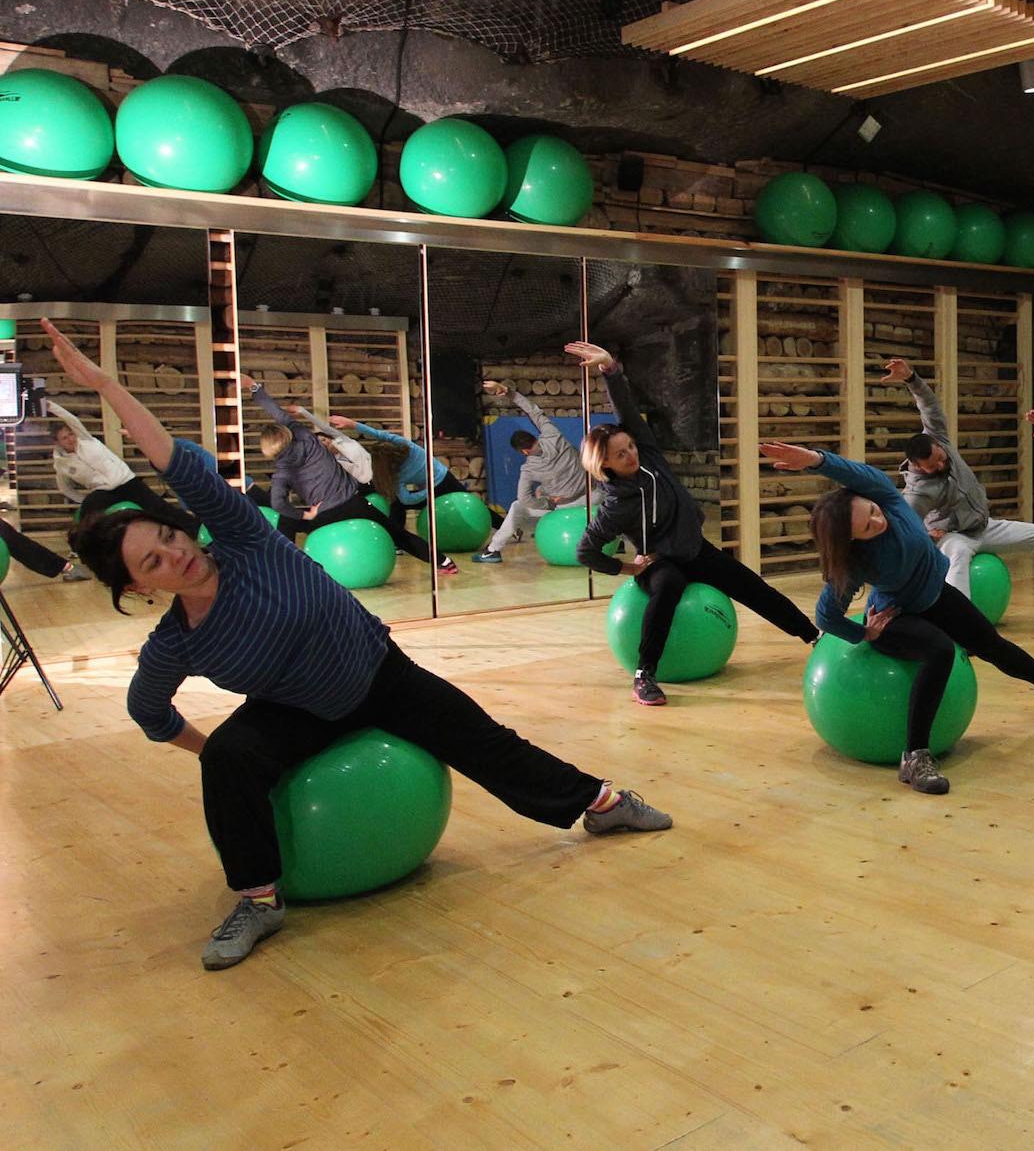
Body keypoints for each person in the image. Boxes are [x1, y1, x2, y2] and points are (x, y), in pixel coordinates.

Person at [44, 318, 670, 973]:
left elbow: (166, 456)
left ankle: (601, 804)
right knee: (231, 756)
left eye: (167, 539)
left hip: (377, 674)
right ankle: (259, 900)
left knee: (484, 740)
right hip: (295, 712)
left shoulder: (238, 536)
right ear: (141, 589)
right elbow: (148, 711)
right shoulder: (177, 641)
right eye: (153, 563)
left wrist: (101, 384)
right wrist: (213, 755)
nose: (174, 555)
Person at [758, 439, 1034, 795]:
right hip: (896, 616)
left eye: (871, 511)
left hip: (937, 596)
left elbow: (855, 472)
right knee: (940, 650)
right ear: (853, 541)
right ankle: (915, 756)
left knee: (992, 645)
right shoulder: (855, 564)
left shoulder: (888, 500)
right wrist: (864, 634)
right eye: (867, 527)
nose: (877, 521)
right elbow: (826, 615)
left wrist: (813, 459)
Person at [567, 341, 821, 705]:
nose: (631, 454)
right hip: (662, 562)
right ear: (604, 465)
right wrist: (626, 566)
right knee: (666, 588)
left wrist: (611, 369)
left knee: (753, 588)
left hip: (696, 550)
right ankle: (644, 675)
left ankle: (813, 636)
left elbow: (627, 410)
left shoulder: (650, 457)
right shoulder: (615, 505)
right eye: (621, 455)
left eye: (631, 447)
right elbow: (585, 551)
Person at [883, 357, 1034, 621]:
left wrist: (910, 378)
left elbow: (927, 404)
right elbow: (904, 527)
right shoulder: (918, 492)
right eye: (932, 465)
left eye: (941, 456)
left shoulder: (937, 437)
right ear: (917, 466)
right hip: (955, 536)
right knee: (958, 556)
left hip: (985, 527)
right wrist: (930, 535)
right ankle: (963, 626)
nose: (941, 463)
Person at [240, 374, 442, 570]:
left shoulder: (281, 474)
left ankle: (286, 570)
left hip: (324, 513)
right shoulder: (308, 440)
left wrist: (305, 515)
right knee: (396, 532)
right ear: (288, 435)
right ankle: (442, 562)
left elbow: (277, 503)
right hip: (354, 504)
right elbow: (279, 414)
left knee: (286, 522)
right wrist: (254, 387)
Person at [327, 413, 464, 574]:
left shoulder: (404, 455)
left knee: (398, 523)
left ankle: (445, 561)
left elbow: (377, 434)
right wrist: (350, 423)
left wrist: (429, 491)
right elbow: (404, 499)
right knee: (396, 508)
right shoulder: (394, 466)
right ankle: (441, 561)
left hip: (440, 480)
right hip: (420, 487)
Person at [472, 380, 588, 564]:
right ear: (534, 437)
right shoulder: (552, 433)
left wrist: (546, 502)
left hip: (565, 506)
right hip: (591, 498)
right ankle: (617, 540)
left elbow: (525, 499)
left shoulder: (528, 469)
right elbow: (533, 410)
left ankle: (493, 550)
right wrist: (508, 392)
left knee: (518, 506)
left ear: (524, 452)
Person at [46, 397, 192, 527]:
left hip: (125, 481)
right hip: (104, 492)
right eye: (65, 438)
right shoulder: (61, 465)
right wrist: (83, 499)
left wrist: (51, 406)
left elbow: (71, 419)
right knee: (89, 519)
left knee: (161, 509)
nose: (71, 439)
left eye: (70, 434)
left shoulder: (85, 439)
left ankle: (198, 531)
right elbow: (65, 489)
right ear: (58, 443)